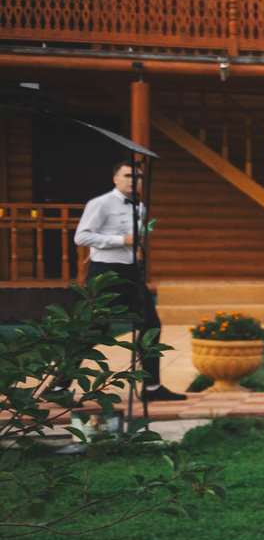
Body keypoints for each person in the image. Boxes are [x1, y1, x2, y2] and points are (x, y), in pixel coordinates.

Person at [73, 161, 175, 399]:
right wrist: (121, 241)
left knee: (151, 324)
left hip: (131, 272)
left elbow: (131, 238)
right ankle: (57, 386)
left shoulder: (140, 208)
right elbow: (82, 236)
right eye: (128, 175)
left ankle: (151, 387)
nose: (133, 181)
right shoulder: (100, 203)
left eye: (138, 177)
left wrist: (136, 244)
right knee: (94, 329)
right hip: (106, 274)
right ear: (115, 179)